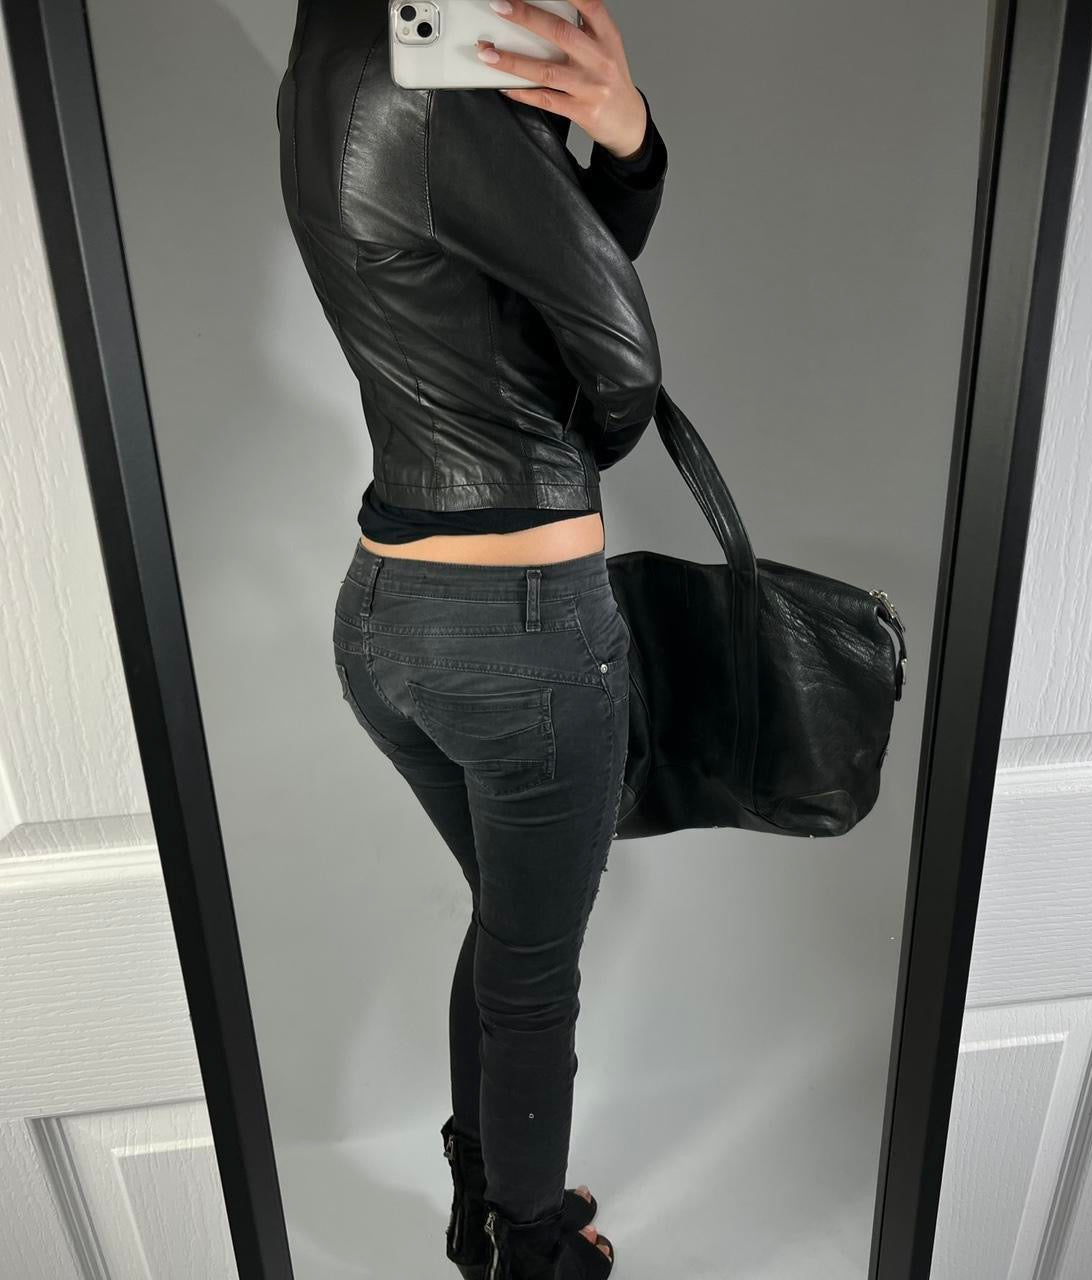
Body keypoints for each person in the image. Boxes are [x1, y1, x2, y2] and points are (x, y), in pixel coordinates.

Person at [277, 1, 666, 1276]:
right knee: (532, 970)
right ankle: (531, 1246)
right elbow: (617, 366)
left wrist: (615, 151)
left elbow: (529, 294)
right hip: (520, 625)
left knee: (507, 928)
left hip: (385, 608)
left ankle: (486, 1206)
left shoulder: (326, 56)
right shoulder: (434, 81)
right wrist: (635, 150)